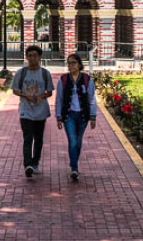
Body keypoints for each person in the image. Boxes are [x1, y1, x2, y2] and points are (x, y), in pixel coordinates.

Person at [11, 44, 54, 178]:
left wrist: (42, 96)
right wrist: (25, 96)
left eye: (35, 55)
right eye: (29, 56)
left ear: (40, 57)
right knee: (27, 137)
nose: (32, 58)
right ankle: (28, 165)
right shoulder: (21, 73)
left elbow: (50, 91)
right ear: (26, 57)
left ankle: (35, 163)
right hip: (26, 110)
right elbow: (15, 90)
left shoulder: (45, 73)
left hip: (41, 111)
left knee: (38, 138)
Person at [55, 54, 97, 181]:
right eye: (68, 63)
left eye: (73, 63)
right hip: (69, 115)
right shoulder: (63, 80)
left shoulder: (87, 79)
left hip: (83, 115)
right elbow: (59, 99)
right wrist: (58, 116)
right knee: (72, 141)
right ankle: (74, 168)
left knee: (78, 142)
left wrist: (93, 116)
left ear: (79, 64)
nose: (70, 65)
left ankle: (74, 161)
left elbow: (92, 99)